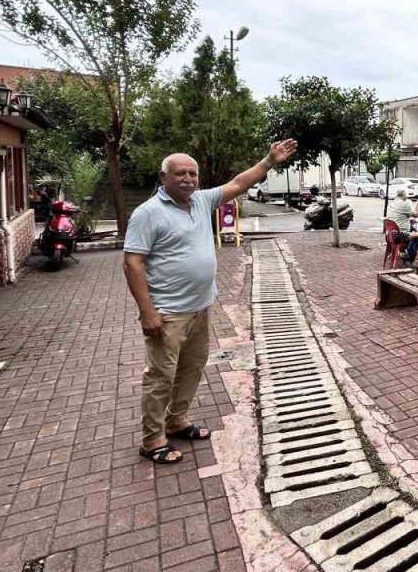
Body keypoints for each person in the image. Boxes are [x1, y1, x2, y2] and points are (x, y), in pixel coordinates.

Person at [124, 140, 297, 464]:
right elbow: (132, 262)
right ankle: (152, 439)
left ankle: (176, 421)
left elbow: (238, 183)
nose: (188, 178)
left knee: (191, 368)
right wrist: (147, 313)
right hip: (168, 312)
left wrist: (269, 161)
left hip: (201, 305)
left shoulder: (201, 201)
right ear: (163, 178)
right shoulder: (148, 213)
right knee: (161, 375)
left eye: (193, 173)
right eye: (180, 173)